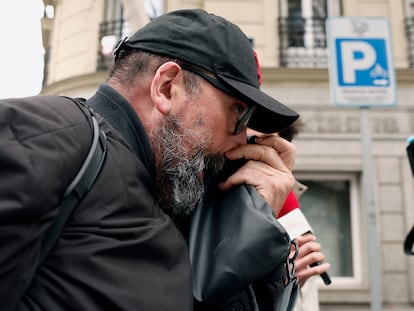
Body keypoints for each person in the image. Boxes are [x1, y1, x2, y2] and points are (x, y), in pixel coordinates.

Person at [0, 9, 299, 311]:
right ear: (167, 87)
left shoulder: (172, 201)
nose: (241, 139)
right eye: (238, 113)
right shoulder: (49, 134)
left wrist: (243, 235)